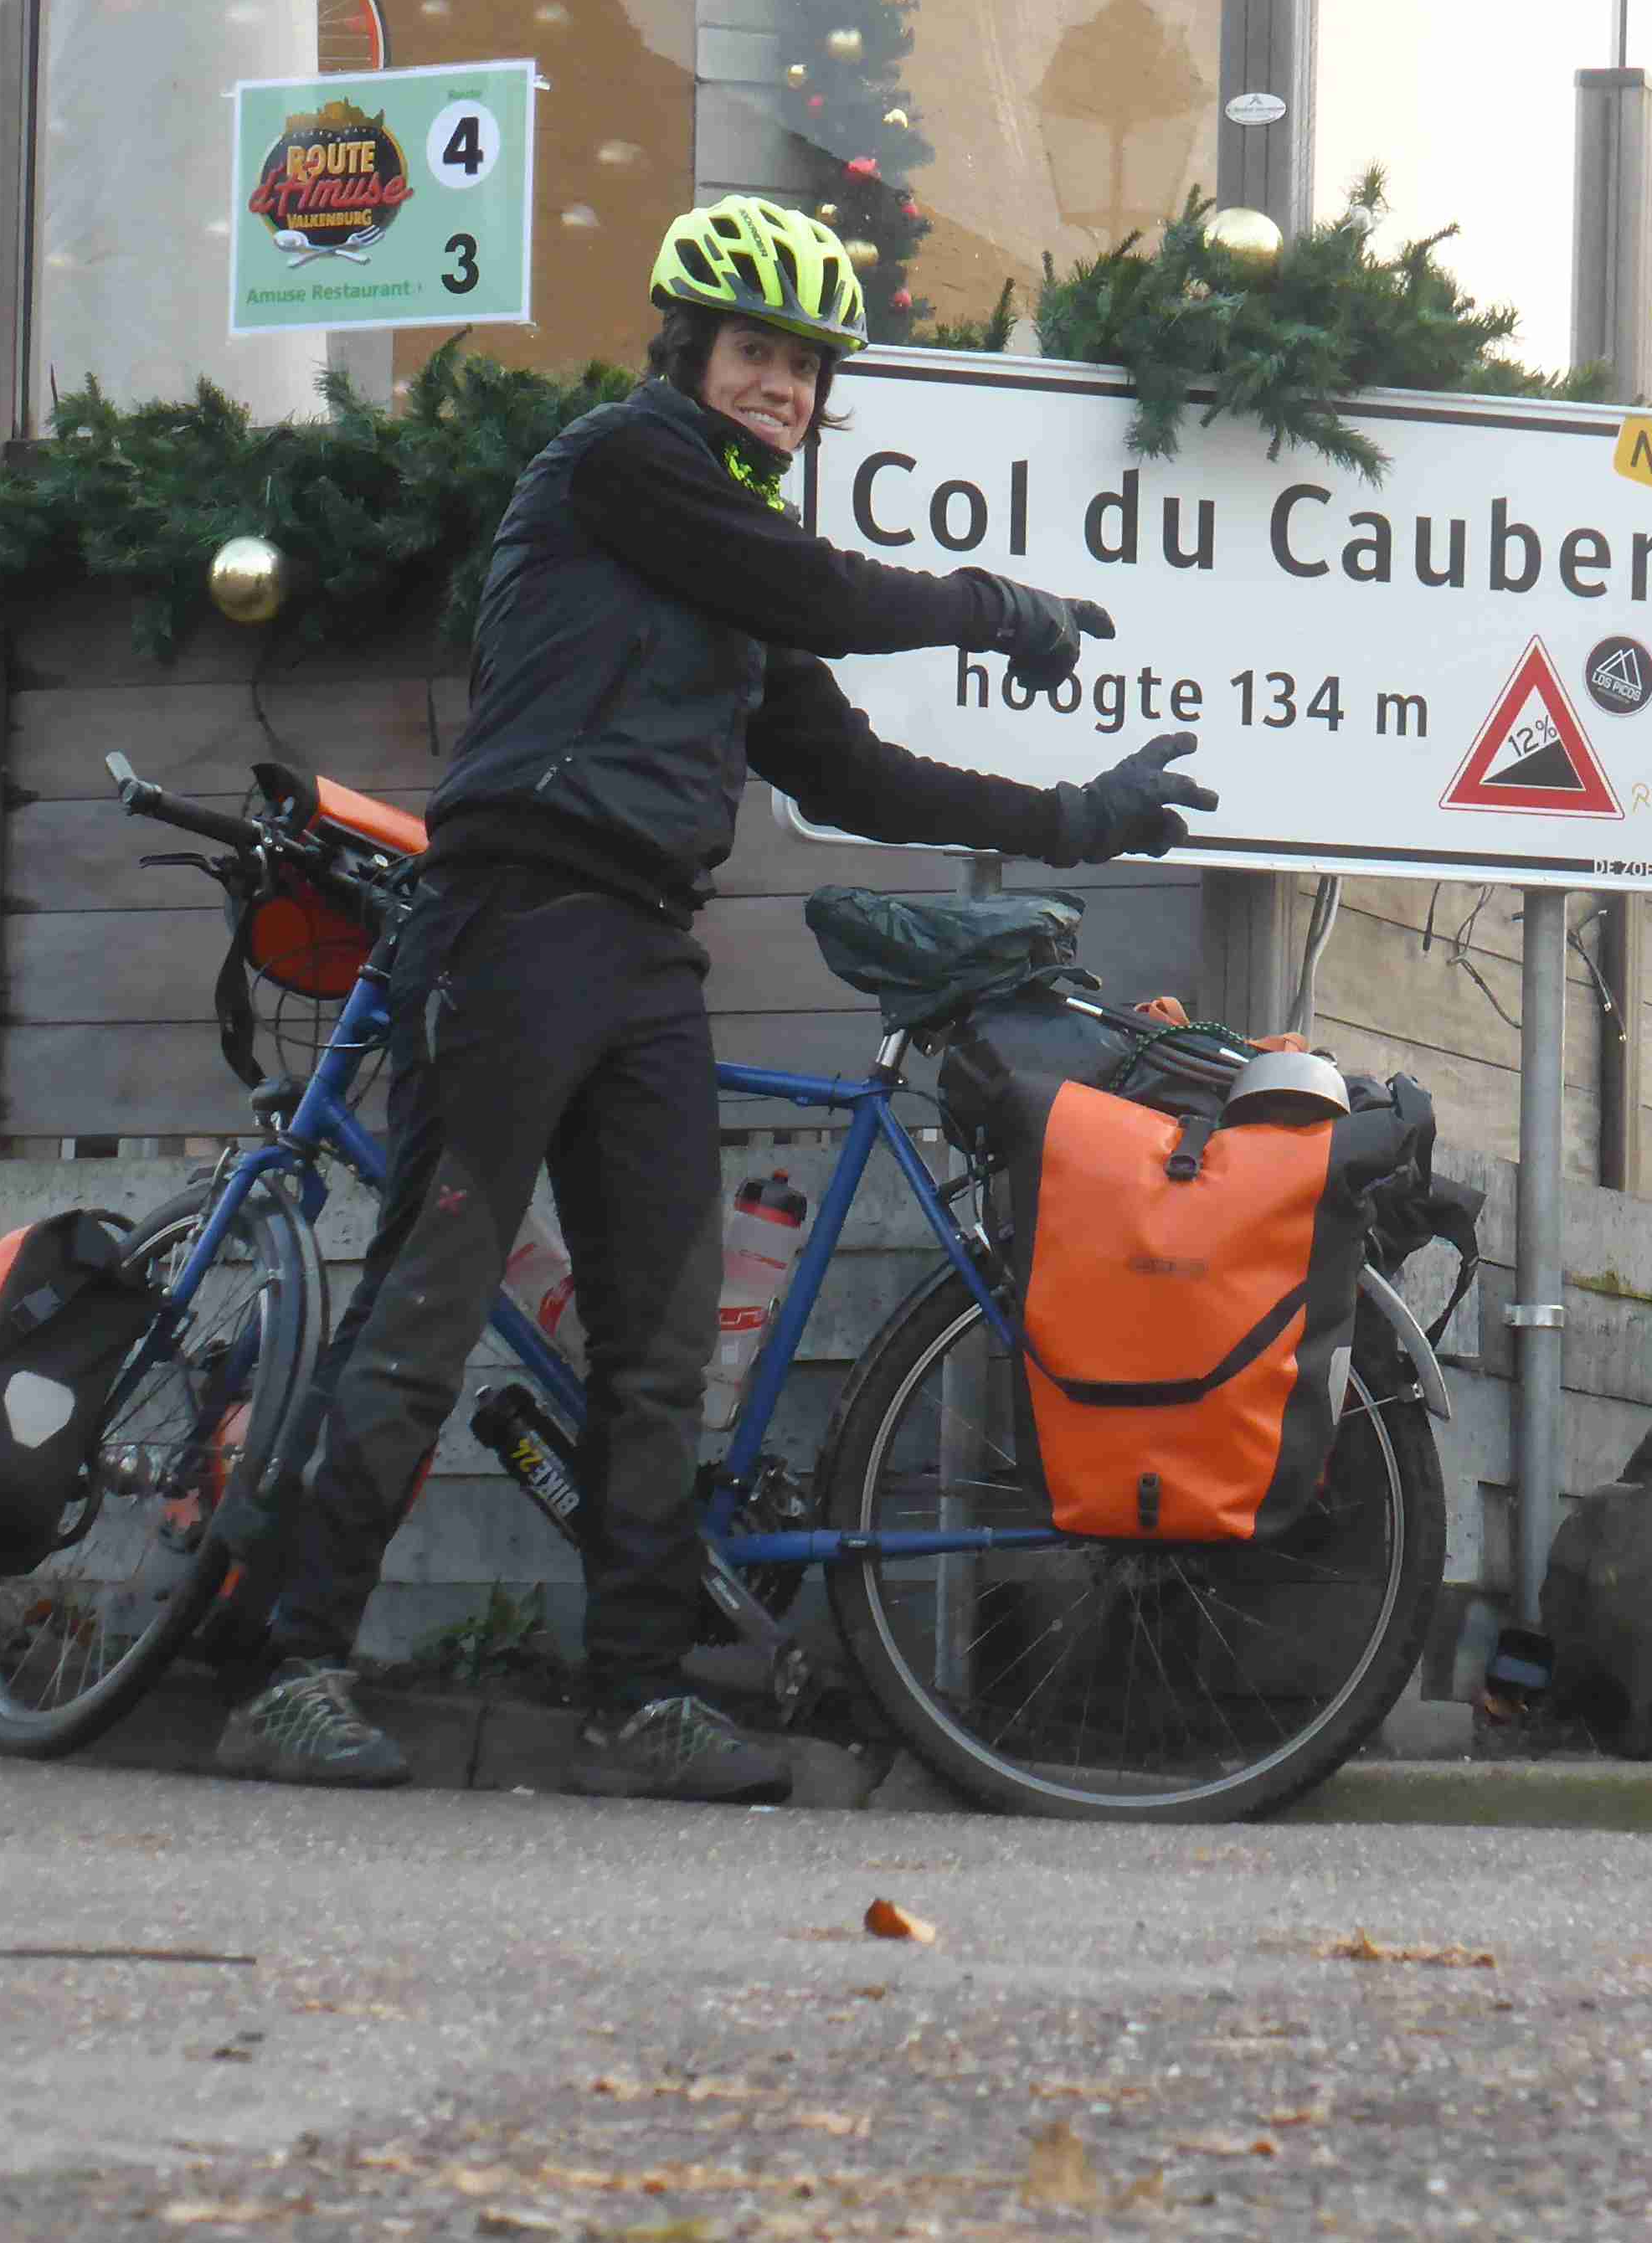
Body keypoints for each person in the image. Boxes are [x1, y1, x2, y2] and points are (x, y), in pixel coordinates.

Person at [219, 194, 1216, 1802]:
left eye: (810, 371)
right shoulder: (623, 468)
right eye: (759, 353)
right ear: (692, 352)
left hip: (639, 950)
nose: (784, 391)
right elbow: (820, 589)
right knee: (429, 1298)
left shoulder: (737, 576)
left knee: (660, 1342)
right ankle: (289, 1670)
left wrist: (1075, 816)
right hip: (516, 921)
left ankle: (637, 1699)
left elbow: (850, 768)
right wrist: (988, 605)